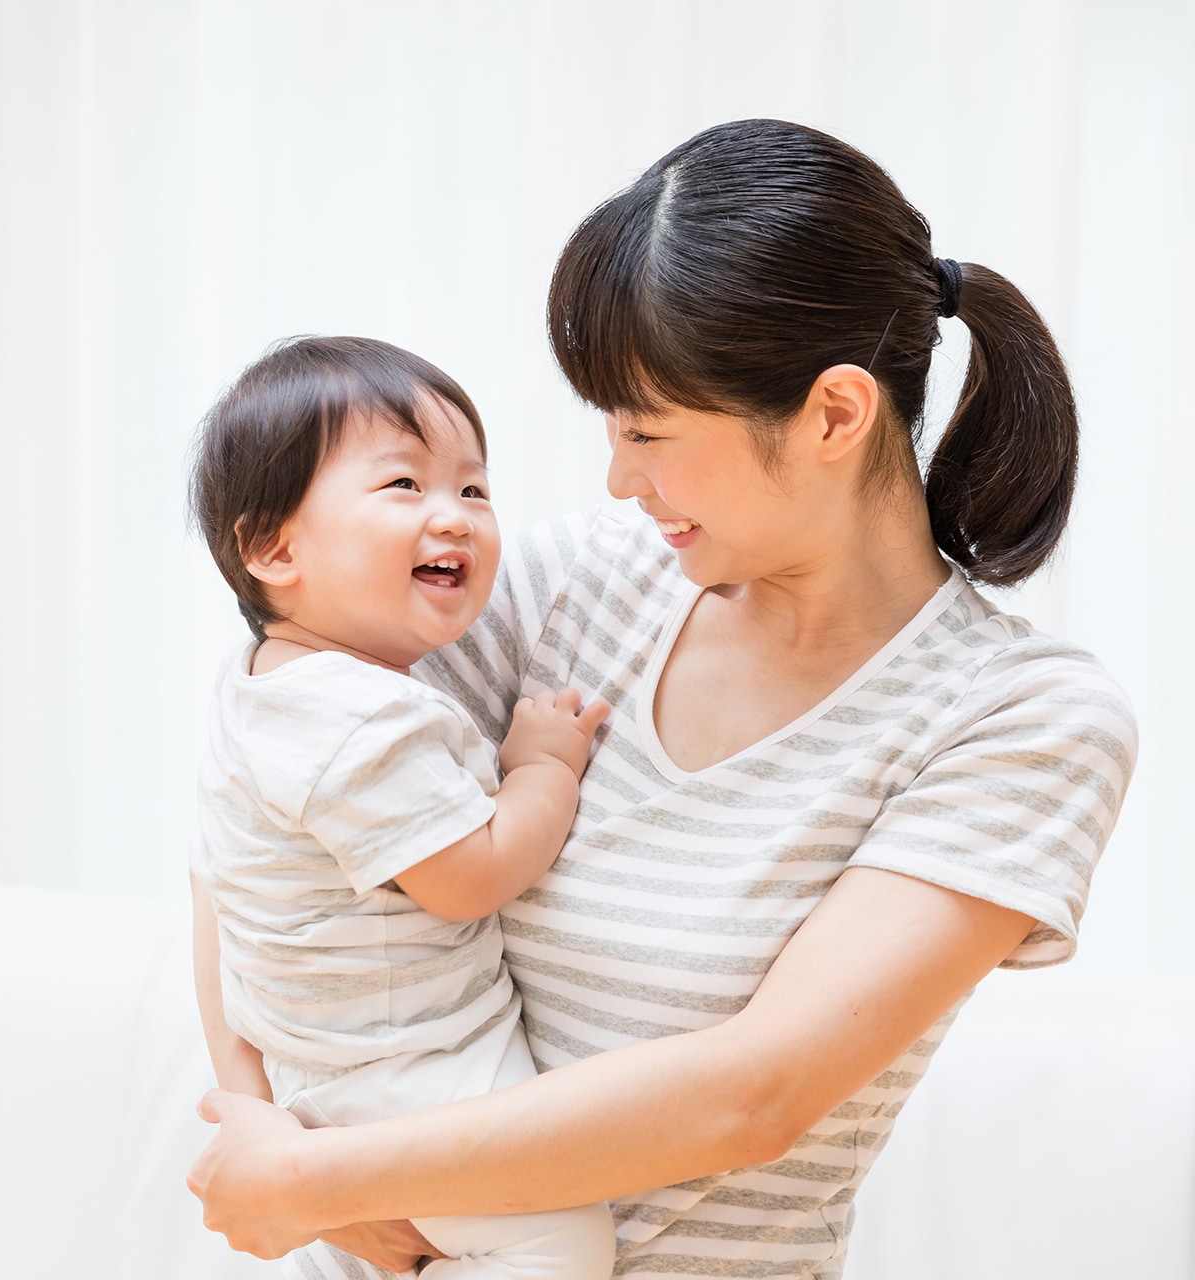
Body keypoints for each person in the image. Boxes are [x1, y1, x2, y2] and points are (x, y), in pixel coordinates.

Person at [185, 119, 1140, 1280]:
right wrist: (263, 1127)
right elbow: (270, 791)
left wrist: (326, 1177)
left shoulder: (1016, 717)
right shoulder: (572, 586)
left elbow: (757, 1093)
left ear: (835, 414)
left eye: (647, 429)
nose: (618, 475)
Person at [188, 335, 617, 1278]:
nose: (455, 518)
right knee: (561, 1236)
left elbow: (208, 880)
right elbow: (471, 877)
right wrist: (543, 766)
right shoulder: (362, 716)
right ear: (272, 547)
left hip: (317, 1085)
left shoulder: (255, 689)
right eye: (403, 487)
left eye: (473, 489)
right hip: (412, 1075)